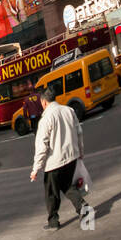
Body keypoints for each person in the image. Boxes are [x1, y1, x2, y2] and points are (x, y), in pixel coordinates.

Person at [29, 86, 90, 231]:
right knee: (68, 186)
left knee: (51, 193)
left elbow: (42, 147)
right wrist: (80, 152)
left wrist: (36, 169)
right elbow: (79, 132)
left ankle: (53, 221)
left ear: (43, 102)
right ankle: (83, 207)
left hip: (54, 162)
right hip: (71, 157)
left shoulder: (45, 119)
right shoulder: (69, 111)